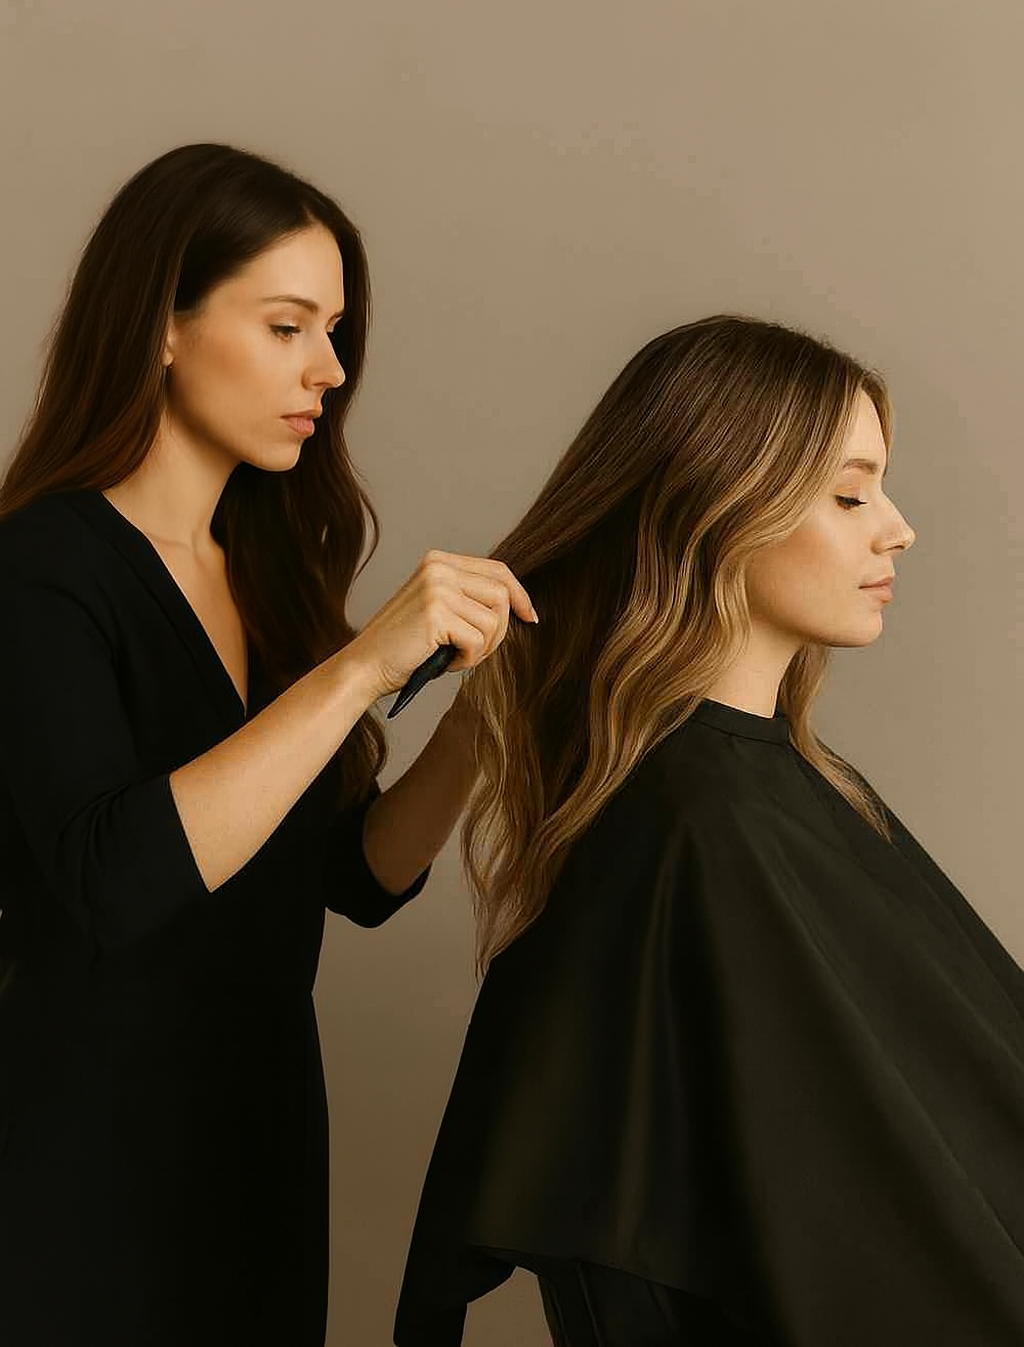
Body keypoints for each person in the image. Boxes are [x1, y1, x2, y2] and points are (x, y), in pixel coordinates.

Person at [393, 315, 1024, 1347]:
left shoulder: (780, 790)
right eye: (851, 495)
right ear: (720, 509)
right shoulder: (698, 821)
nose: (898, 528)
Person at [0, 142, 536, 1347]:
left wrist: (482, 720)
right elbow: (113, 877)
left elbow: (355, 876)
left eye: (333, 333)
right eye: (288, 326)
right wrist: (363, 669)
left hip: (258, 1144)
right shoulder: (39, 568)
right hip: (84, 1168)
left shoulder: (274, 577)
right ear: (162, 326)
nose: (329, 370)